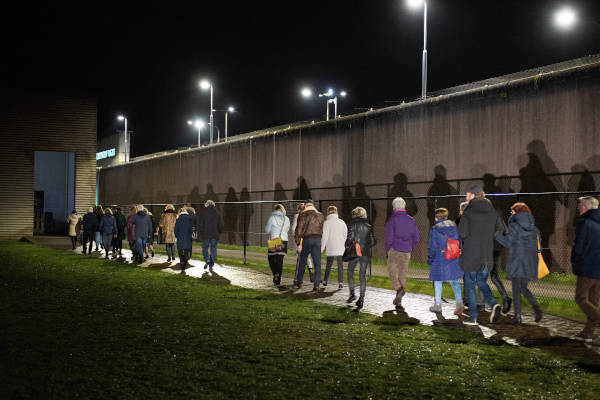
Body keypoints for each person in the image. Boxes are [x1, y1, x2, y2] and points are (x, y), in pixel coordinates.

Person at [458, 185, 504, 326]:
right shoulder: (492, 212)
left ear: (473, 195)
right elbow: (501, 230)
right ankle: (493, 303)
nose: (466, 197)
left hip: (472, 254)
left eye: (467, 194)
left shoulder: (468, 212)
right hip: (486, 254)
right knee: (482, 281)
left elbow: (462, 233)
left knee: (470, 284)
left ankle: (473, 318)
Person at [494, 202, 542, 324]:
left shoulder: (514, 226)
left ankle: (517, 317)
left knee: (516, 289)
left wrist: (497, 235)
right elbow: (539, 248)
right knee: (523, 288)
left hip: (517, 261)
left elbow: (507, 243)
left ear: (517, 212)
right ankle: (536, 308)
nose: (511, 213)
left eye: (512, 211)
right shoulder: (534, 228)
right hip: (530, 262)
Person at [571, 196, 600, 342]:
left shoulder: (584, 223)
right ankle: (588, 333)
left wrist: (575, 263)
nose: (579, 208)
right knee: (593, 302)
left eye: (581, 206)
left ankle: (596, 321)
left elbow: (579, 247)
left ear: (586, 207)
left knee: (581, 298)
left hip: (587, 268)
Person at [427, 208, 464, 316]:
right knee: (454, 280)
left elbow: (432, 247)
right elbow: (459, 241)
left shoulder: (435, 229)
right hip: (453, 256)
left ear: (436, 218)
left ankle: (437, 305)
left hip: (440, 257)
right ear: (446, 217)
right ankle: (459, 303)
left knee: (438, 280)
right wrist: (459, 249)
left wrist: (430, 259)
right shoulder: (454, 226)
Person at [384, 197, 419, 307]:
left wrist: (388, 249)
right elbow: (416, 238)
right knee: (402, 273)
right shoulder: (411, 220)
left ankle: (399, 289)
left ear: (394, 207)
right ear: (404, 206)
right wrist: (410, 247)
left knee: (391, 271)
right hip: (406, 250)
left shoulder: (392, 220)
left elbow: (388, 237)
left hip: (394, 249)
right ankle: (399, 298)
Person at [345, 207, 376, 309]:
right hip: (365, 254)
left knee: (350, 272)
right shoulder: (369, 226)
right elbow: (373, 242)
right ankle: (361, 298)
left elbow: (349, 239)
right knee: (362, 276)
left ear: (355, 214)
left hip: (354, 253)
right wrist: (365, 245)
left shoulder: (352, 225)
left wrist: (348, 245)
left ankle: (352, 294)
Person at [294, 200, 325, 290]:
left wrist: (298, 243)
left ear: (305, 206)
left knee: (303, 261)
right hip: (317, 239)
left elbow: (298, 230)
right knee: (317, 263)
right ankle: (317, 285)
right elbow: (322, 228)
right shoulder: (320, 215)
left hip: (307, 239)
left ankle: (299, 282)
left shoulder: (303, 215)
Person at [321, 205, 347, 289]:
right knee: (340, 265)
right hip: (340, 246)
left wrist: (322, 247)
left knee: (329, 264)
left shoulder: (326, 223)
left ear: (328, 212)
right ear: (336, 212)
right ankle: (340, 283)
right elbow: (345, 235)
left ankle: (325, 281)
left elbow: (325, 236)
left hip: (331, 246)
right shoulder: (342, 222)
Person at [265, 204, 290, 286]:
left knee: (270, 258)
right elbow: (287, 229)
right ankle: (278, 281)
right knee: (280, 261)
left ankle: (275, 273)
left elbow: (267, 230)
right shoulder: (287, 219)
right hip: (283, 241)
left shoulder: (272, 218)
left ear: (275, 210)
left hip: (274, 240)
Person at [292, 202, 315, 282]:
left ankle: (298, 279)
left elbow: (294, 229)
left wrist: (297, 240)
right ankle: (311, 272)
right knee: (306, 256)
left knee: (300, 259)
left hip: (301, 240)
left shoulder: (298, 216)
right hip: (307, 239)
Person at [198, 200, 223, 271]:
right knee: (213, 250)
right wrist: (219, 232)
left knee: (205, 248)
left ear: (206, 205)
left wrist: (201, 233)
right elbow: (220, 225)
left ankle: (207, 259)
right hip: (214, 235)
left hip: (205, 235)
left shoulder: (203, 213)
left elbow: (200, 225)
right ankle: (211, 265)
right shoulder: (218, 213)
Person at [175, 207, 194, 274]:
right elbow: (191, 230)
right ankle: (185, 260)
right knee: (186, 250)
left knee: (180, 250)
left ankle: (182, 262)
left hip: (180, 237)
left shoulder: (178, 219)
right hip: (187, 237)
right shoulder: (189, 219)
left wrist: (177, 235)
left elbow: (176, 230)